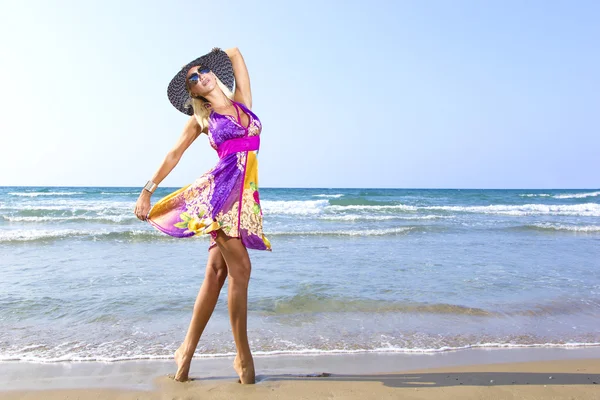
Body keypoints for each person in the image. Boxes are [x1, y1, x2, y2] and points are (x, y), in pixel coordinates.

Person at [133, 47, 271, 384]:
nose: (200, 76)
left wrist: (216, 54)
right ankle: (243, 358)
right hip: (220, 196)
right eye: (193, 78)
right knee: (242, 269)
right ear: (192, 92)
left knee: (215, 273)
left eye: (203, 70)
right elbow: (174, 154)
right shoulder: (202, 118)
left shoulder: (242, 103)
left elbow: (236, 53)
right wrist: (148, 190)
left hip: (245, 198)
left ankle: (185, 351)